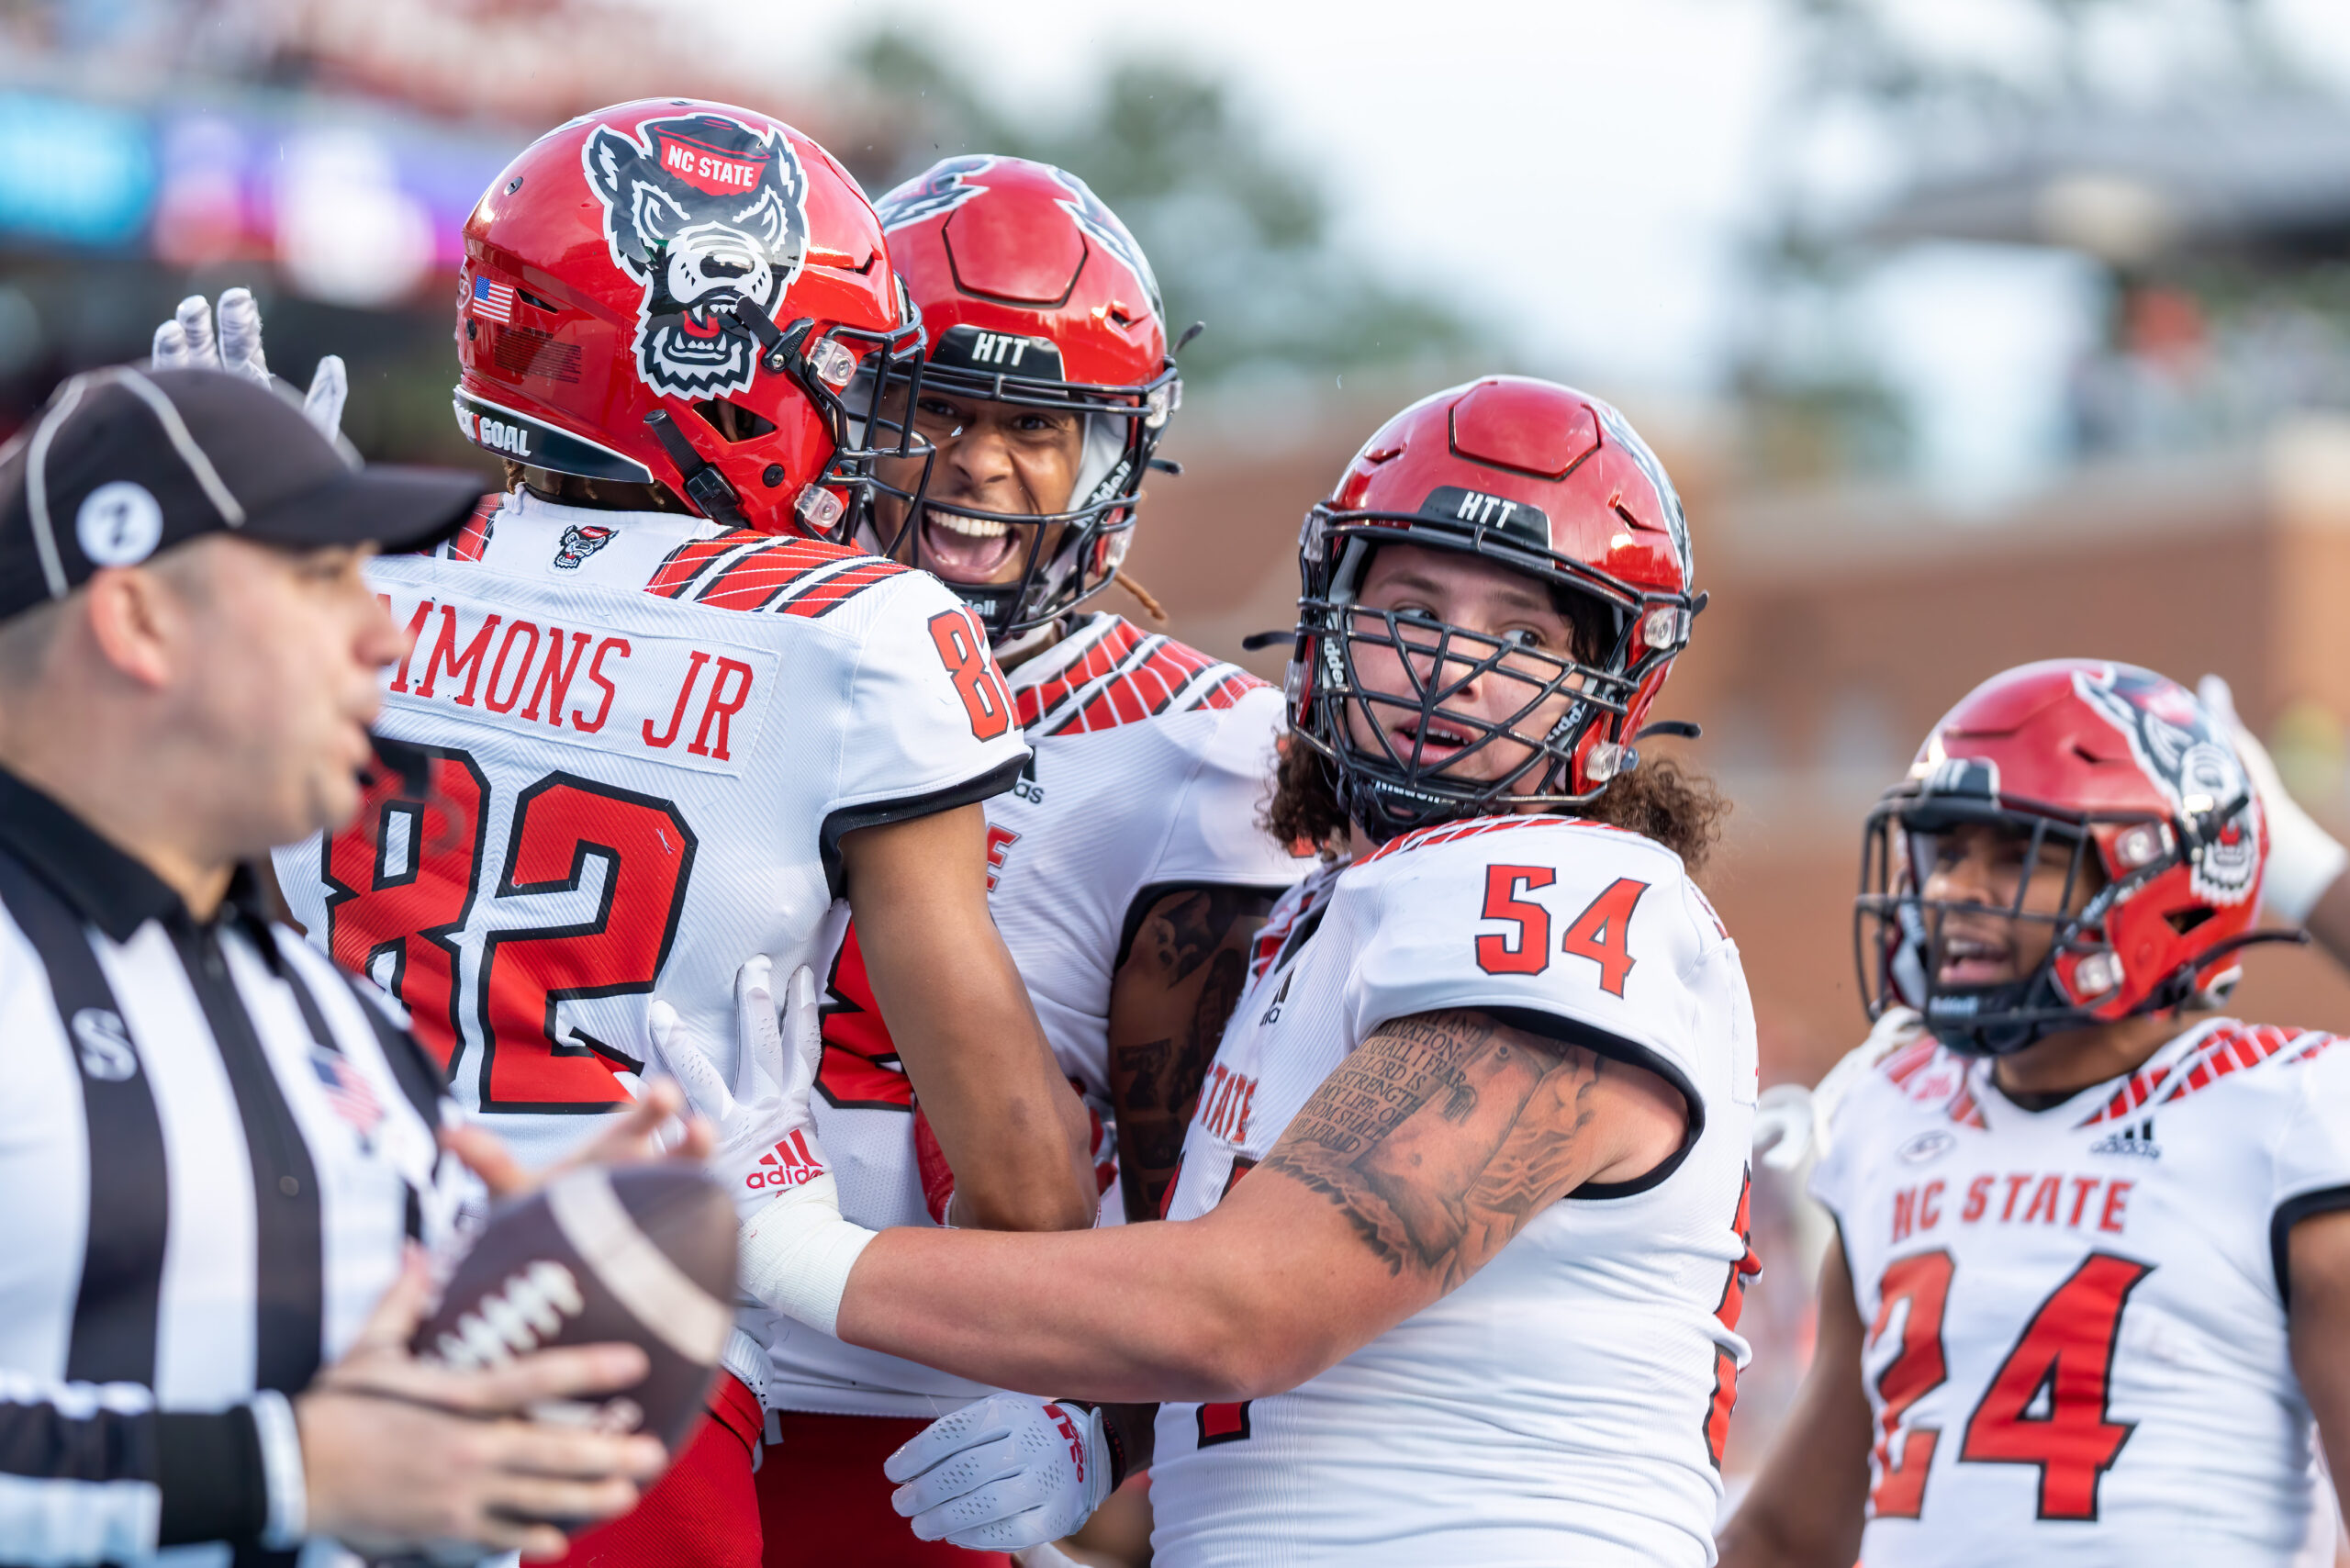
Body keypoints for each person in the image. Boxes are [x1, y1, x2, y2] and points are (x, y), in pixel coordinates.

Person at [666, 376, 1763, 1565]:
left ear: (1614, 683)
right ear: (1331, 611)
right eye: (1414, 605)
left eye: (1523, 637)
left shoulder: (1564, 899)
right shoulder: (1327, 910)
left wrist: (784, 1246)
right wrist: (1109, 1425)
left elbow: (1252, 1305)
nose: (1455, 666)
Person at [250, 99, 1100, 1568]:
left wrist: (232, 534)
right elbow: (1022, 1179)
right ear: (708, 358)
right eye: (836, 367)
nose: (857, 410)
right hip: (608, 1364)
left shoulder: (335, 559)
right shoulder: (865, 633)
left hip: (268, 1308)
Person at [0, 364, 686, 1562]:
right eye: (322, 578)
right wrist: (287, 1472)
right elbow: (317, 1464)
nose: (386, 631)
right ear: (140, 617)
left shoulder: (326, 1012)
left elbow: (378, 1447)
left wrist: (495, 1278)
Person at [724, 153, 1305, 1565]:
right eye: (935, 408)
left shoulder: (1202, 750)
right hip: (667, 1353)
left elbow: (1207, 1187)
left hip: (934, 1413)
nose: (982, 461)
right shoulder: (726, 621)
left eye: (1037, 424)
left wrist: (1095, 1417)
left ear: (1112, 455)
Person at [1715, 660, 2350, 1567]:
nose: (1950, 890)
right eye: (1945, 850)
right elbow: (1794, 1532)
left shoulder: (2283, 1118)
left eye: (2017, 855)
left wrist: (2306, 868)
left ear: (2159, 877)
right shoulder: (1890, 1111)